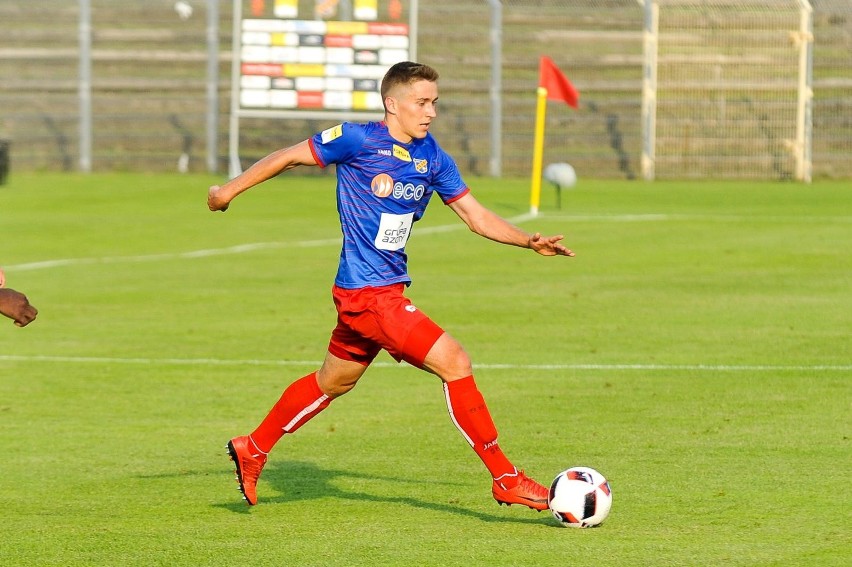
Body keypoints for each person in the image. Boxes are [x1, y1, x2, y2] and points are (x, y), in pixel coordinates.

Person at [208, 61, 574, 511]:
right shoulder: (357, 139)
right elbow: (286, 155)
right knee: (455, 361)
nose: (431, 112)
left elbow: (476, 216)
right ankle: (505, 477)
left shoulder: (433, 157)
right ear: (392, 104)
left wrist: (527, 240)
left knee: (333, 381)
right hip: (369, 296)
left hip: (380, 292)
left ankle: (254, 446)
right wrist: (227, 191)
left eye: (435, 103)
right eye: (422, 102)